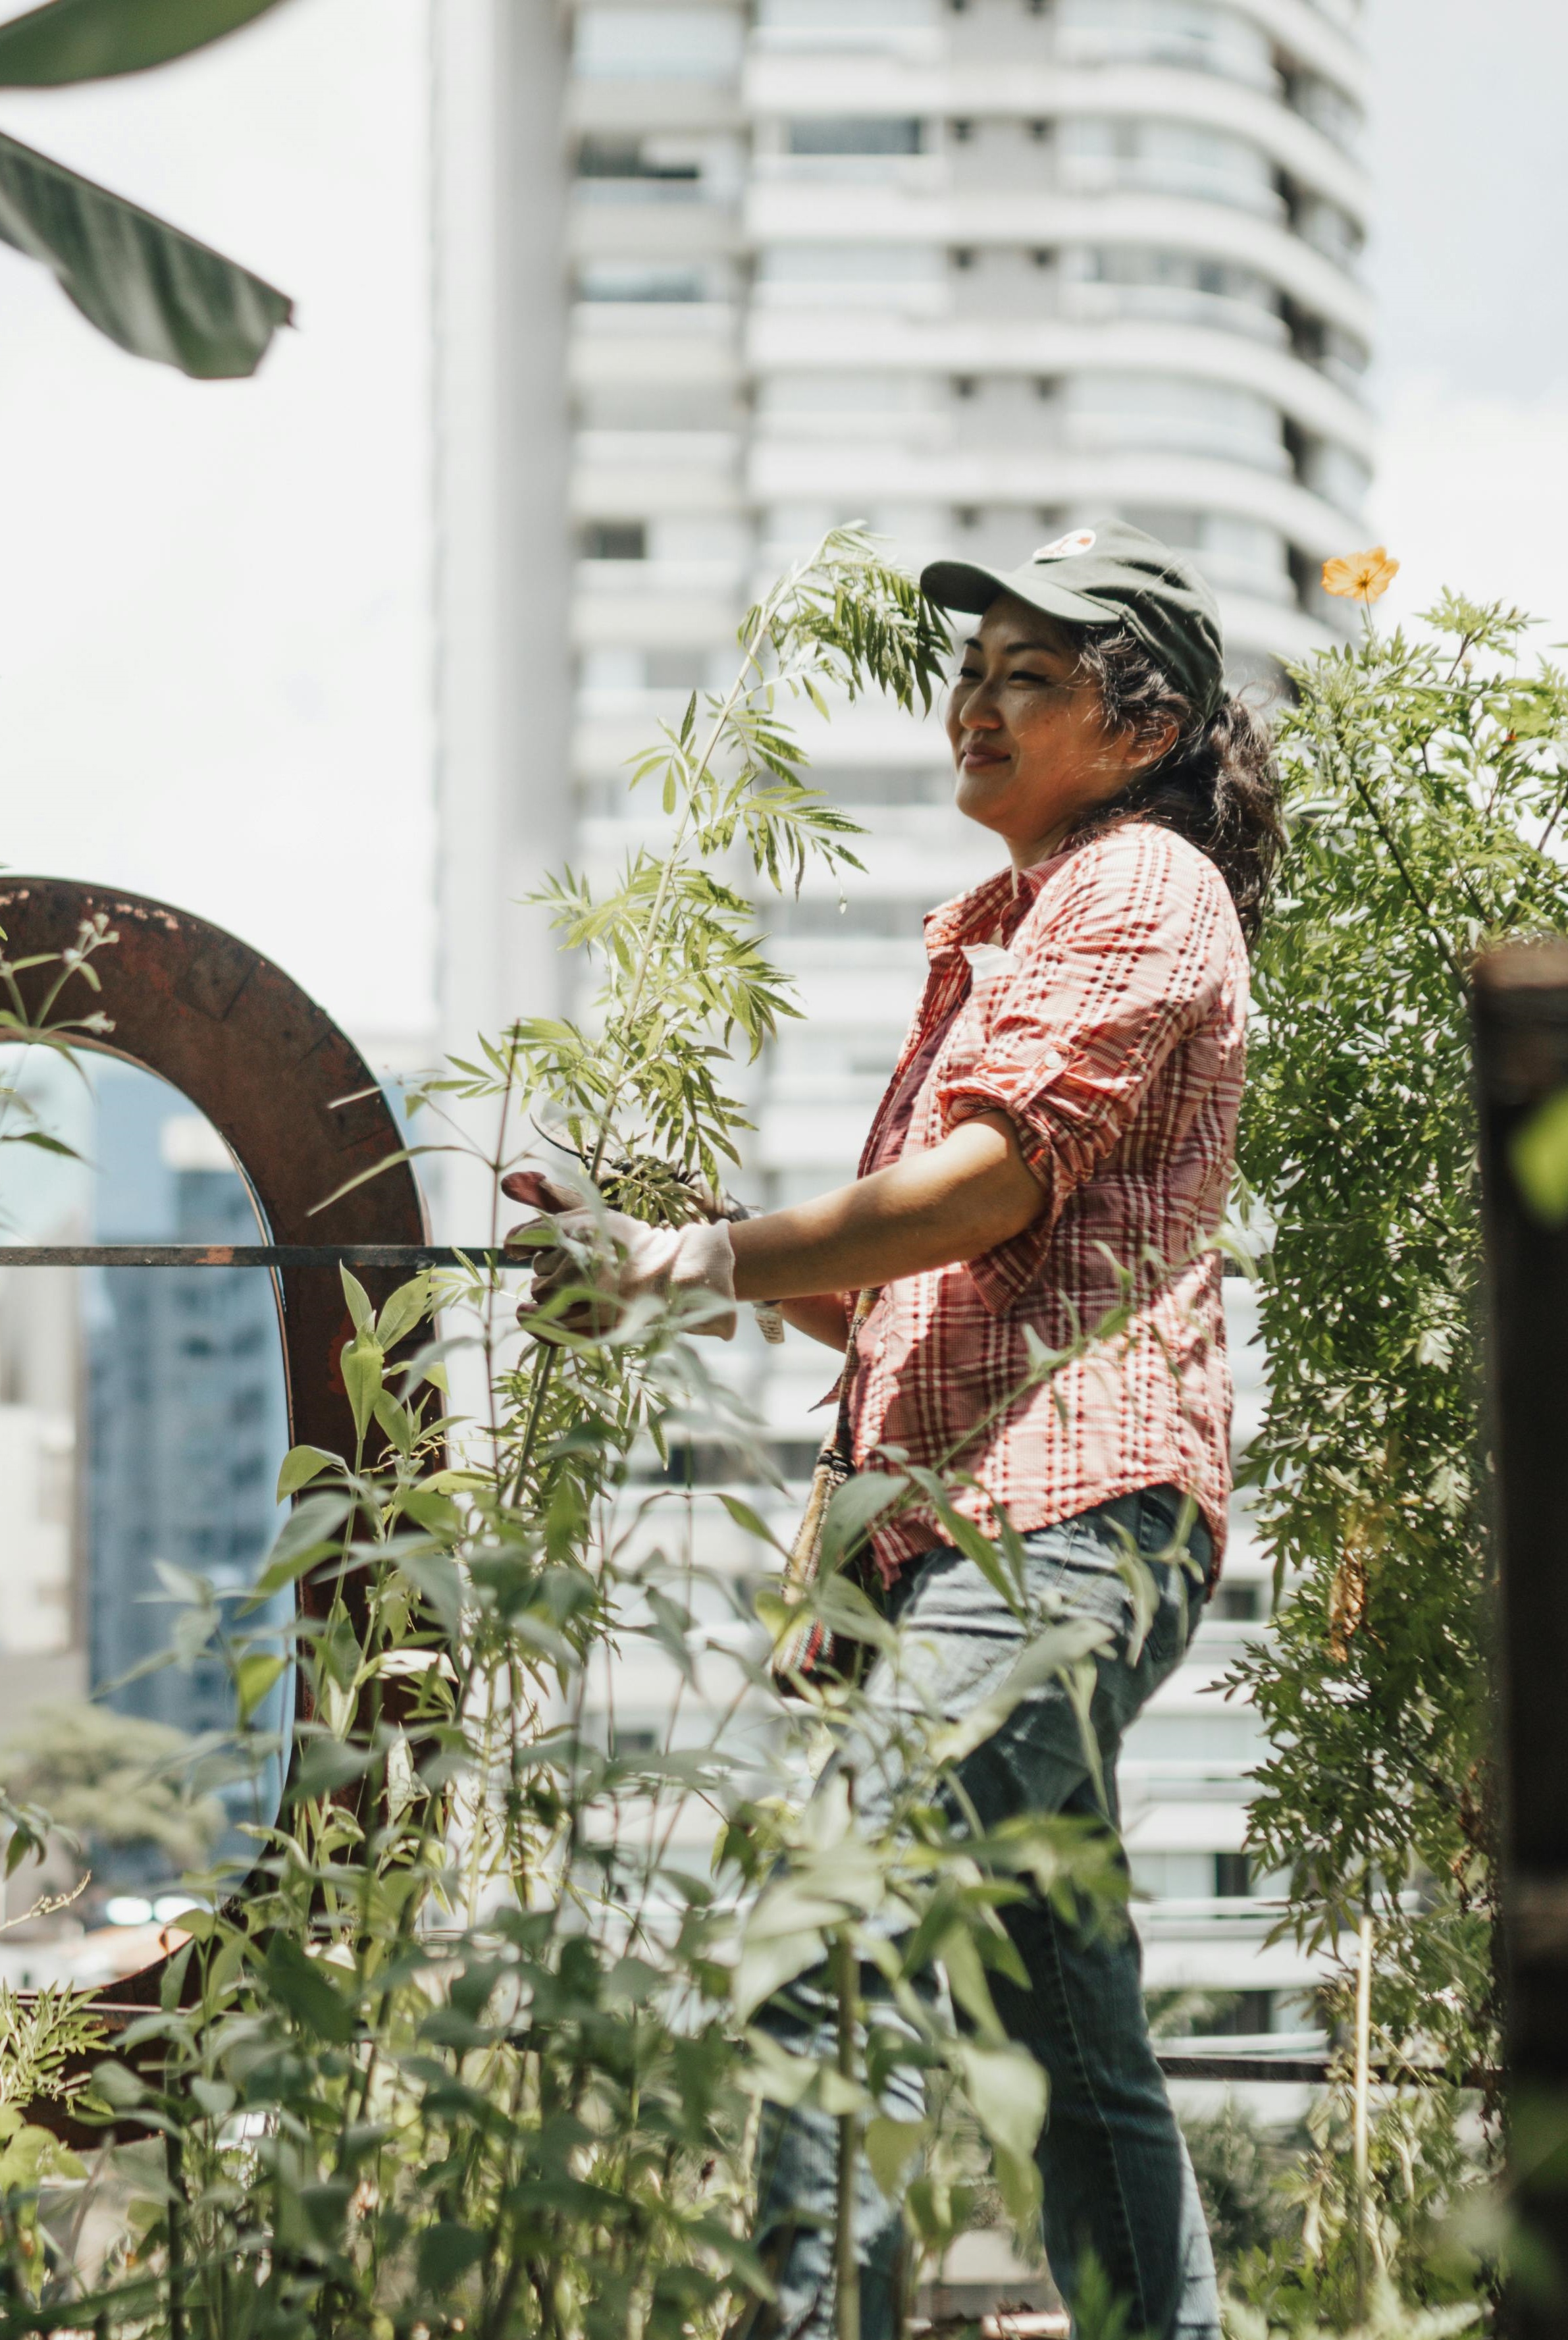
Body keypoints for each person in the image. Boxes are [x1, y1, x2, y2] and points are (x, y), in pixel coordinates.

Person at [506, 520, 1278, 2340]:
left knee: (835, 1921)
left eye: (1032, 677)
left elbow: (988, 1187)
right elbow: (909, 1299)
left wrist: (696, 1263)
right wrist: (684, 1240)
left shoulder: (1137, 883)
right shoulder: (1022, 923)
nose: (973, 708)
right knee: (1066, 2040)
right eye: (971, 673)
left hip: (1059, 1520)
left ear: (1148, 726)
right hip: (987, 1528)